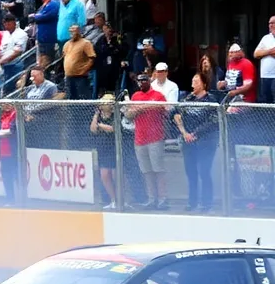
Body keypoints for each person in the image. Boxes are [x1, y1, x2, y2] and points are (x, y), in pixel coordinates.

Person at [174, 73, 219, 212]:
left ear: (204, 84)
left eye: (196, 81)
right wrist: (184, 133)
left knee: (204, 172)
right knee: (191, 173)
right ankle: (192, 202)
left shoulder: (211, 99)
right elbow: (176, 115)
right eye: (192, 80)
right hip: (188, 141)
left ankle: (206, 203)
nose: (193, 83)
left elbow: (213, 121)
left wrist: (195, 134)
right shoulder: (187, 98)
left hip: (206, 142)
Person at [125, 72, 169, 210]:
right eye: (139, 81)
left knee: (158, 169)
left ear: (148, 81)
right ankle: (152, 198)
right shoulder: (135, 96)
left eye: (143, 80)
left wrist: (142, 107)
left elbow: (165, 109)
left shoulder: (158, 95)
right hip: (140, 138)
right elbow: (129, 114)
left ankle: (163, 198)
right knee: (146, 171)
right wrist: (145, 106)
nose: (141, 83)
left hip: (155, 137)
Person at [89, 97, 118, 209]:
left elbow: (113, 128)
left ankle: (121, 199)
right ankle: (113, 199)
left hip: (114, 149)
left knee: (116, 175)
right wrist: (96, 114)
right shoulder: (99, 117)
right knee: (105, 175)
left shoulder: (116, 115)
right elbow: (93, 129)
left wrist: (100, 125)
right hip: (103, 149)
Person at [255, 15, 275, 104]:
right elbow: (256, 54)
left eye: (273, 23)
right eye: (269, 23)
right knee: (267, 102)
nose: (270, 25)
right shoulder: (266, 38)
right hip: (265, 75)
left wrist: (265, 52)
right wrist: (270, 51)